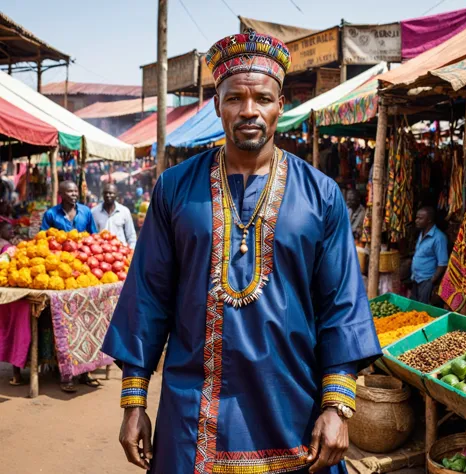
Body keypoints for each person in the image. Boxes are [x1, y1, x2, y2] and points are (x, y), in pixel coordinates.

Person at [102, 30, 381, 474]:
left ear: (280, 105)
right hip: (193, 416)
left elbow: (341, 305)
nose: (248, 111)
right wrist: (133, 401)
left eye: (262, 99)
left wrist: (338, 405)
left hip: (294, 412)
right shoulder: (175, 189)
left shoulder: (321, 195)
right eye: (235, 99)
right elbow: (148, 296)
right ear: (217, 105)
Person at [40, 180, 98, 392]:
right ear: (61, 194)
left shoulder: (86, 212)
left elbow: (94, 238)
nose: (74, 194)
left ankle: (85, 370)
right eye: (70, 191)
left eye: (75, 191)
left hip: (84, 272)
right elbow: (43, 241)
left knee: (86, 321)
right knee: (62, 323)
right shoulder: (51, 215)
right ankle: (66, 372)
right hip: (61, 275)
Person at [412, 206, 448, 304]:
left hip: (427, 281)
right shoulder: (421, 233)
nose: (416, 221)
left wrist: (431, 281)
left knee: (424, 310)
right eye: (417, 218)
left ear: (429, 220)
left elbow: (443, 263)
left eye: (420, 218)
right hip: (416, 278)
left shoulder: (439, 238)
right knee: (415, 310)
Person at [92, 184, 137, 249]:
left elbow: (131, 235)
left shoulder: (124, 211)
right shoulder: (94, 212)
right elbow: (92, 234)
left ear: (116, 195)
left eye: (111, 193)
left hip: (120, 252)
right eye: (106, 193)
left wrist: (131, 251)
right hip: (101, 253)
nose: (108, 195)